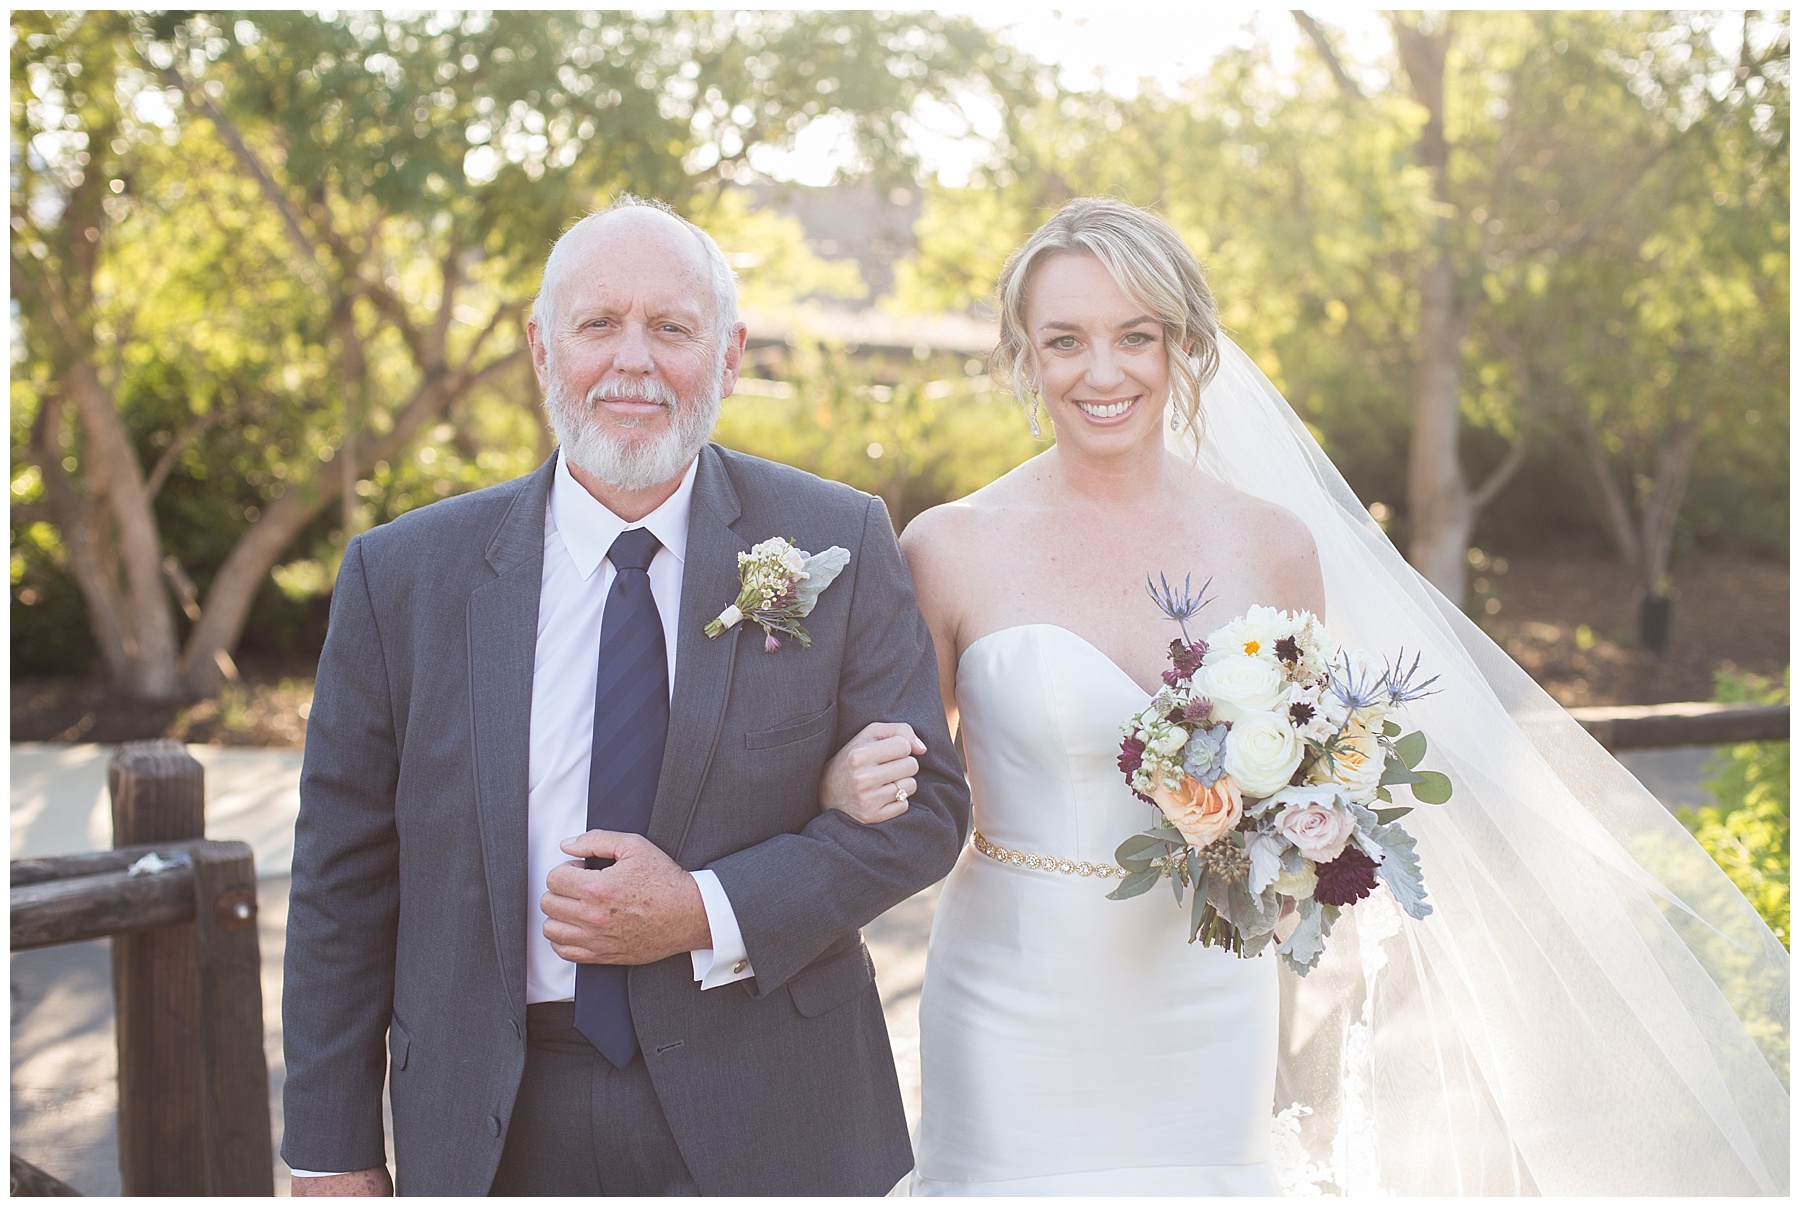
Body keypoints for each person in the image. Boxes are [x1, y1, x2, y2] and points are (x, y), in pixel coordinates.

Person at [826, 197, 1788, 1195]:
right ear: (1025, 357)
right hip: (1008, 987)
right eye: (1064, 340)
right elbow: (907, 785)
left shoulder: (1271, 543)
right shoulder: (948, 546)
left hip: (1207, 989)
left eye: (1136, 336)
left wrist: (1296, 865)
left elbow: (1313, 777)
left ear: (1186, 346)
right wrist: (845, 778)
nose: (1101, 371)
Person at [281, 195, 970, 1196]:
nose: (633, 360)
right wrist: (331, 1151)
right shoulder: (403, 577)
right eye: (599, 324)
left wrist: (702, 910)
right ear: (543, 350)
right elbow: (340, 880)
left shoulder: (837, 540)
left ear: (729, 357)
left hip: (776, 1103)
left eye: (672, 328)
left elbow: (925, 813)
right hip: (491, 1118)